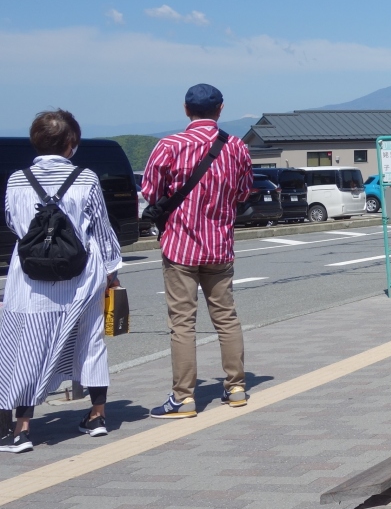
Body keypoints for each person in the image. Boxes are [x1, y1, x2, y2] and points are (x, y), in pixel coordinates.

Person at [0, 109, 120, 453]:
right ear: (71, 143)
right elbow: (101, 229)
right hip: (82, 275)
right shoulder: (86, 178)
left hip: (31, 277)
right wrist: (112, 271)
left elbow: (12, 222)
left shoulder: (17, 180)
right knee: (90, 341)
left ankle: (22, 429)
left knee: (27, 347)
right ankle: (97, 416)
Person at [141, 84, 253, 418]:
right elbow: (244, 192)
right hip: (219, 245)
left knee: (182, 323)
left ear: (186, 109)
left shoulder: (169, 145)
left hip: (180, 246)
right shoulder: (236, 147)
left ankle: (184, 398)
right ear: (221, 109)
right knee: (226, 317)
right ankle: (236, 388)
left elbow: (150, 191)